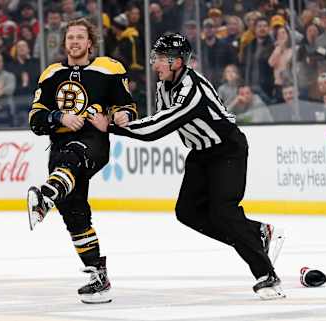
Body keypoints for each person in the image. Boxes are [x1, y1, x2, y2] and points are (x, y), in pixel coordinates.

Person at [89, 33, 285, 300]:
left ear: (177, 62)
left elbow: (158, 128)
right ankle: (255, 233)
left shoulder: (192, 89)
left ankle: (266, 275)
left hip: (228, 150)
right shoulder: (163, 85)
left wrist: (111, 127)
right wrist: (120, 115)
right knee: (187, 212)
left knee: (224, 212)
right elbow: (156, 118)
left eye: (158, 59)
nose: (154, 64)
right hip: (201, 154)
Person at [26, 18, 137, 304]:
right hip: (58, 149)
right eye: (70, 38)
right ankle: (98, 277)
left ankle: (46, 196)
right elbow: (35, 119)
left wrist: (118, 118)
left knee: (73, 156)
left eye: (80, 37)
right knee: (74, 214)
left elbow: (127, 107)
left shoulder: (109, 68)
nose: (74, 42)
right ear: (65, 43)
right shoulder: (51, 74)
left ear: (90, 42)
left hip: (93, 144)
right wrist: (59, 117)